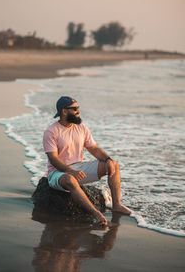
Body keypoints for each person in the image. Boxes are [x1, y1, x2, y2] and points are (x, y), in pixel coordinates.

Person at [43, 96, 131, 226]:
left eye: (78, 108)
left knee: (113, 165)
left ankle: (117, 205)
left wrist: (108, 160)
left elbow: (93, 148)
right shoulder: (51, 132)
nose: (78, 111)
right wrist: (70, 171)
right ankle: (96, 214)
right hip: (57, 173)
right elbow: (53, 159)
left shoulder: (81, 128)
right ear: (64, 111)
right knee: (70, 179)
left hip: (78, 168)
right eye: (74, 108)